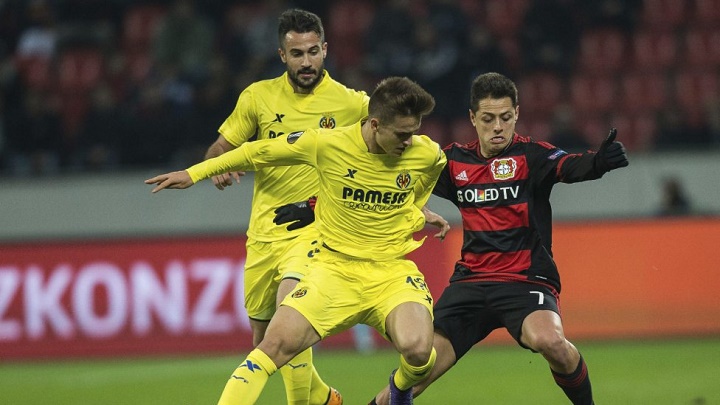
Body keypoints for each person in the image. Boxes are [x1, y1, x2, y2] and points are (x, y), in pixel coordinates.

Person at [145, 76, 447, 405]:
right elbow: (258, 151)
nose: (409, 141)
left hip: (390, 273)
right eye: (402, 134)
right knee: (270, 346)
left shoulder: (427, 155)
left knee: (419, 352)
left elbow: (415, 191)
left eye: (414, 132)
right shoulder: (327, 144)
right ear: (374, 124)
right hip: (332, 271)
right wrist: (194, 173)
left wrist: (419, 210)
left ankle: (398, 391)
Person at [367, 72, 629, 404]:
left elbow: (568, 166)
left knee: (549, 341)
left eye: (505, 118)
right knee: (417, 371)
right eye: (488, 119)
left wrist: (598, 162)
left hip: (525, 280)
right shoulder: (452, 162)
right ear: (473, 118)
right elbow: (394, 177)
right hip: (471, 284)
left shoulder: (531, 156)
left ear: (516, 114)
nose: (498, 127)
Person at [197, 9, 370, 405]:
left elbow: (394, 141)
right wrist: (216, 167)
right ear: (282, 56)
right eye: (297, 54)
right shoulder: (257, 97)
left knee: (291, 314)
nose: (306, 62)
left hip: (313, 228)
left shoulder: (351, 103)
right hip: (263, 232)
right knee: (264, 343)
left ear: (325, 49)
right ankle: (324, 398)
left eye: (313, 52)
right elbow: (222, 146)